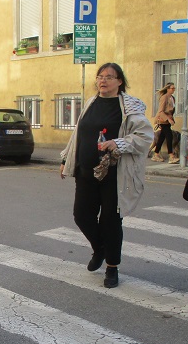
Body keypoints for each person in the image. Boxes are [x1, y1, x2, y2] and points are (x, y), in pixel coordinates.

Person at [60, 63, 154, 288]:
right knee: (82, 215)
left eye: (109, 77)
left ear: (120, 81)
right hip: (85, 171)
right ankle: (99, 249)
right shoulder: (91, 102)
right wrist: (66, 159)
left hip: (115, 175)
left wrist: (118, 143)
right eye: (100, 76)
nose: (103, 81)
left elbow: (144, 136)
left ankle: (112, 267)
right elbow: (78, 135)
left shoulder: (129, 107)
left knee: (110, 221)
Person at [152, 83, 179, 164]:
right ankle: (171, 156)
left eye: (174, 88)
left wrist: (171, 119)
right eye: (172, 88)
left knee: (162, 137)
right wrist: (168, 119)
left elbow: (171, 110)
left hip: (168, 120)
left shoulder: (172, 98)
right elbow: (161, 111)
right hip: (162, 120)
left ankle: (156, 154)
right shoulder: (164, 97)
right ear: (167, 89)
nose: (173, 90)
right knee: (169, 136)